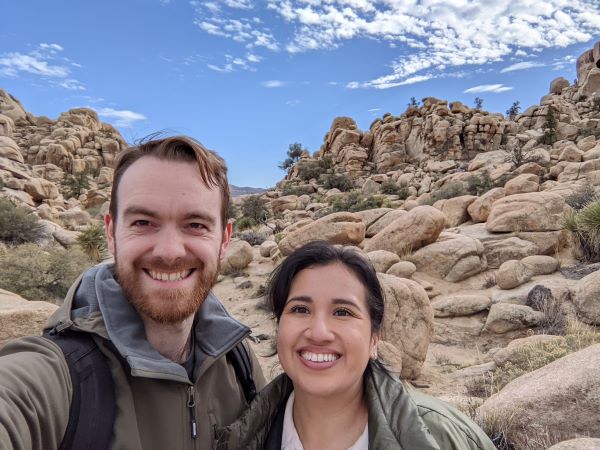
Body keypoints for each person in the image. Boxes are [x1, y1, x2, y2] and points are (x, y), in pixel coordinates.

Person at [0, 135, 266, 449]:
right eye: (143, 222)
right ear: (111, 233)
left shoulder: (238, 358)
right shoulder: (59, 377)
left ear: (224, 239)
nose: (169, 251)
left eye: (195, 224)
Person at [216, 241, 496, 450]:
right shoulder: (242, 436)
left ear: (374, 339)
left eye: (343, 312)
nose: (319, 332)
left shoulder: (442, 435)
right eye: (300, 309)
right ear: (279, 328)